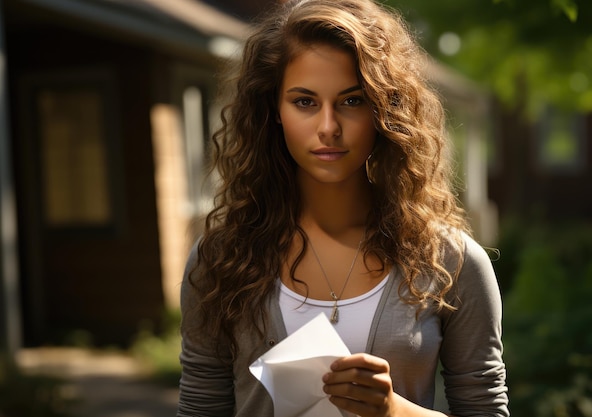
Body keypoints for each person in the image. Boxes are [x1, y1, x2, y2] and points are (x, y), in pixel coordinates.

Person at [177, 0, 509, 416]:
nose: (329, 127)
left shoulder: (451, 263)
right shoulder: (220, 261)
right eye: (304, 102)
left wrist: (394, 410)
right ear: (273, 111)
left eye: (352, 101)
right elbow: (200, 408)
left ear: (383, 110)